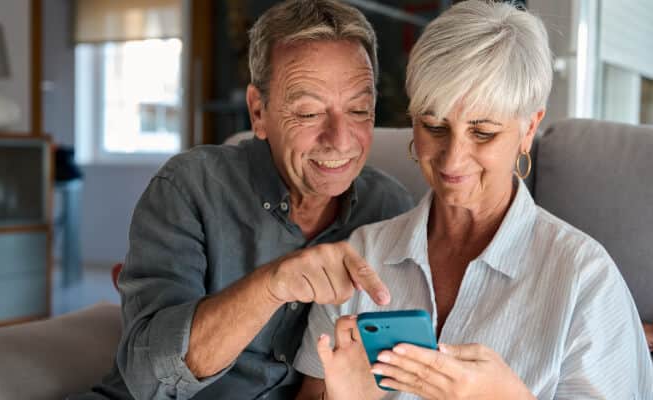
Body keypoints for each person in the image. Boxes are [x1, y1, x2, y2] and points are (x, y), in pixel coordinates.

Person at [293, 1, 653, 399]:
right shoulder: (363, 255)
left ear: (529, 127)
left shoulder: (585, 281)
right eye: (434, 126)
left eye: (483, 133)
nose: (452, 158)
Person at [72, 1, 414, 399]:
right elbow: (148, 380)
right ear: (258, 112)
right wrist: (271, 286)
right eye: (307, 113)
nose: (340, 139)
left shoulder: (390, 209)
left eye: (359, 110)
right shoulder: (188, 188)